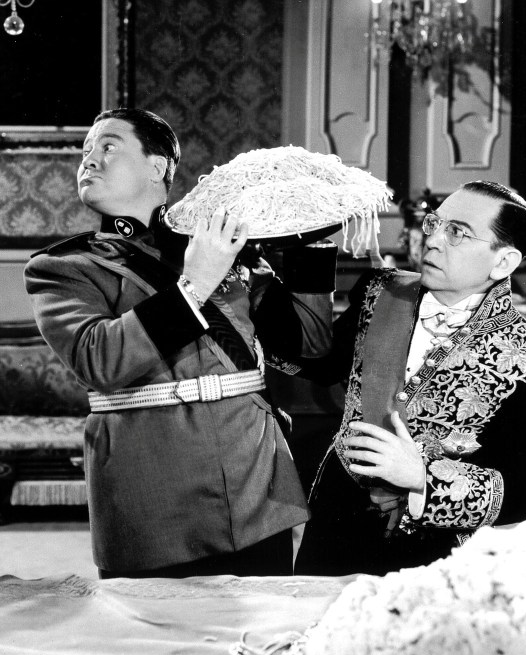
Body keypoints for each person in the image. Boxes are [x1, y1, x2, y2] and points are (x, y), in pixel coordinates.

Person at [24, 108, 337, 578]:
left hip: (252, 480)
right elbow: (99, 359)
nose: (89, 160)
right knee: (156, 623)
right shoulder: (65, 267)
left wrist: (306, 245)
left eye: (108, 147)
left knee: (263, 616)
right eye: (86, 151)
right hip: (154, 487)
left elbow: (308, 346)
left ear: (157, 166)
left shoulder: (216, 245)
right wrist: (195, 284)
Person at [292, 180, 526, 576]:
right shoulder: (380, 292)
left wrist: (421, 478)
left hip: (435, 563)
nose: (434, 240)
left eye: (457, 232)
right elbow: (316, 363)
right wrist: (297, 250)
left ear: (503, 262)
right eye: (434, 224)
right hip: (332, 530)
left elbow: (525, 495)